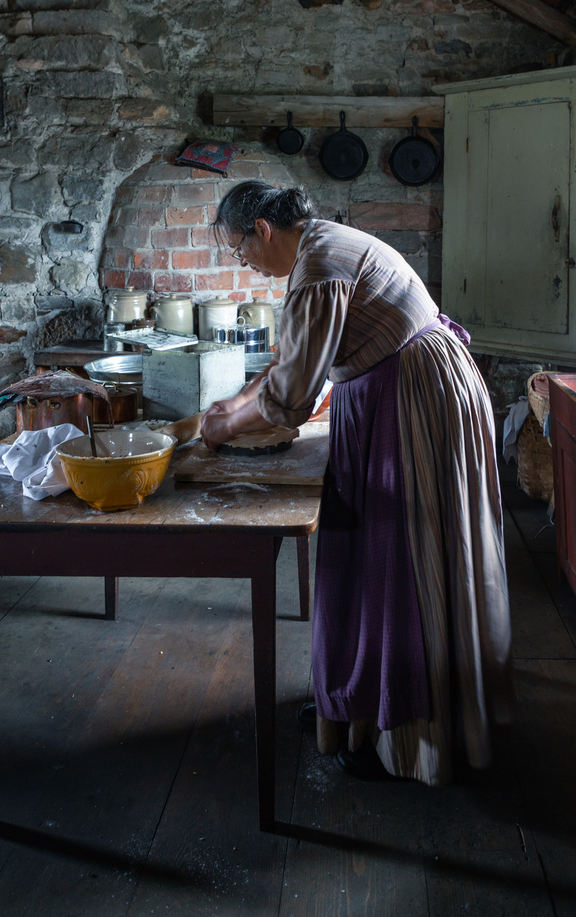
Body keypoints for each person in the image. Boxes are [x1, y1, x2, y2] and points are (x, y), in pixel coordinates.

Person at [201, 180, 512, 786]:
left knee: (401, 559)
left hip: (414, 400)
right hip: (404, 390)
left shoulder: (319, 266)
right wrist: (231, 406)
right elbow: (289, 362)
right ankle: (362, 706)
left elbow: (289, 398)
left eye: (240, 250)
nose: (244, 263)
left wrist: (221, 428)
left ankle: (404, 733)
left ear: (263, 228)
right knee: (378, 556)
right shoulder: (323, 248)